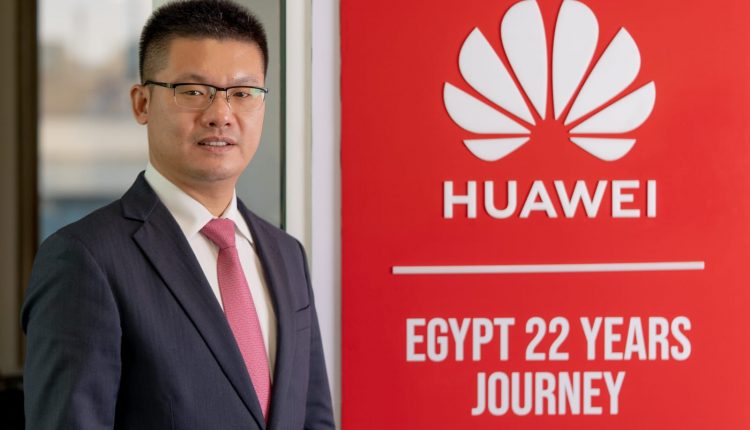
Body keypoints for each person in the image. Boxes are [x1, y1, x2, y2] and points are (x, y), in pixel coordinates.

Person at [21, 1, 334, 428]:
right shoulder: (84, 260)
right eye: (193, 91)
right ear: (142, 103)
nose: (221, 115)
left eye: (242, 93)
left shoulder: (286, 255)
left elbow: (313, 419)